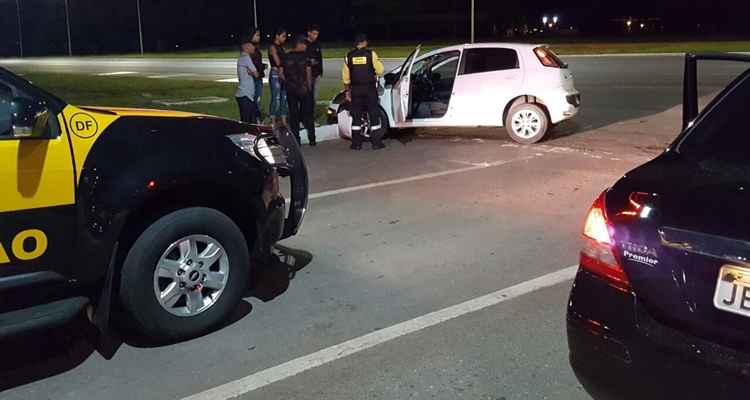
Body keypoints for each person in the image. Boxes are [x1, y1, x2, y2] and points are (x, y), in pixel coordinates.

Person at [342, 33, 385, 150]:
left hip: (355, 90)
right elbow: (380, 70)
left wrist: (347, 92)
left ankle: (356, 144)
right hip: (370, 89)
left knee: (356, 116)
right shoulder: (371, 54)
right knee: (373, 115)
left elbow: (346, 78)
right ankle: (376, 143)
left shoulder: (348, 56)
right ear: (365, 42)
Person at [284, 36, 315, 145]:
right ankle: (312, 139)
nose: (306, 46)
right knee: (308, 114)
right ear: (299, 44)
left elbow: (283, 74)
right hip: (304, 89)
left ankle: (296, 140)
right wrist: (310, 88)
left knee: (293, 115)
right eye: (305, 44)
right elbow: (308, 74)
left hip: (291, 89)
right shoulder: (306, 57)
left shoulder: (286, 56)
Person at [235, 36, 260, 124]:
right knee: (247, 123)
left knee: (247, 121)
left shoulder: (242, 57)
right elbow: (256, 74)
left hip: (245, 95)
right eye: (252, 45)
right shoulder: (246, 58)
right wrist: (252, 72)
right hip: (245, 95)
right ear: (246, 46)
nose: (254, 47)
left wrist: (251, 72)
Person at [268, 28, 289, 128]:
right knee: (276, 98)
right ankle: (273, 121)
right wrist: (281, 70)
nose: (285, 38)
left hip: (283, 74)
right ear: (277, 36)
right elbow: (277, 61)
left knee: (284, 98)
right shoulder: (272, 47)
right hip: (276, 74)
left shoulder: (282, 47)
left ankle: (284, 121)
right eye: (283, 36)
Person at [304, 24, 323, 103]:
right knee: (307, 95)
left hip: (317, 73)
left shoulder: (317, 44)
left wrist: (321, 71)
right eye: (314, 34)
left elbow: (319, 58)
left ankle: (311, 113)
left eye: (317, 34)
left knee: (315, 96)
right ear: (309, 33)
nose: (316, 36)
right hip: (307, 74)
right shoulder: (303, 44)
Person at [250, 28, 265, 118]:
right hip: (253, 78)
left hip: (258, 77)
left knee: (258, 100)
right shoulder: (249, 48)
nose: (259, 37)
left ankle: (256, 118)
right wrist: (262, 67)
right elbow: (251, 64)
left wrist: (262, 66)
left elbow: (257, 62)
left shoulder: (257, 48)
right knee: (254, 100)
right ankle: (254, 119)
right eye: (257, 35)